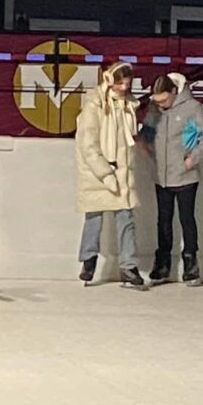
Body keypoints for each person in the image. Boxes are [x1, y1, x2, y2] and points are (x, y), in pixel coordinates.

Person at [138, 72, 203, 286]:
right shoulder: (156, 109)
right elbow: (147, 131)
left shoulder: (192, 108)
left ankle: (191, 265)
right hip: (161, 176)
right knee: (163, 220)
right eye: (157, 101)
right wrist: (146, 146)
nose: (161, 104)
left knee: (186, 219)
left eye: (164, 100)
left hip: (185, 176)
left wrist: (192, 159)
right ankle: (162, 265)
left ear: (174, 92)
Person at [75, 60, 145, 288]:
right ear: (110, 81)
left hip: (122, 170)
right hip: (98, 171)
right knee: (94, 217)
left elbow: (129, 139)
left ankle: (128, 265)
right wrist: (105, 172)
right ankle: (89, 260)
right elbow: (88, 143)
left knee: (126, 218)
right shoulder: (94, 106)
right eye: (120, 83)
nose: (124, 88)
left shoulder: (128, 107)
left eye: (127, 83)